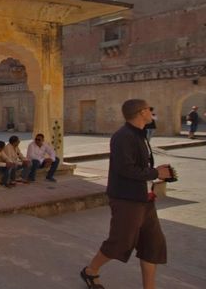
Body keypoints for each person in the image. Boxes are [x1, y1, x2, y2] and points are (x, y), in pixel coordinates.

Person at [81, 99, 172, 289]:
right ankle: (90, 271)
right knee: (120, 242)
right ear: (141, 113)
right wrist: (156, 173)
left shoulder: (139, 135)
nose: (151, 112)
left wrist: (155, 172)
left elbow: (138, 166)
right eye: (149, 109)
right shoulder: (123, 136)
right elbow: (125, 169)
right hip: (126, 199)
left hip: (144, 198)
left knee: (152, 245)